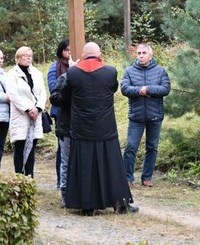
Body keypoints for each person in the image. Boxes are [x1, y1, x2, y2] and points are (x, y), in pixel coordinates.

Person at [63, 42, 137, 215]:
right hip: (105, 126)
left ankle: (87, 206)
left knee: (84, 165)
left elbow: (66, 94)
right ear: (100, 54)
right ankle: (120, 203)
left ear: (83, 54)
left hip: (82, 127)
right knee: (112, 165)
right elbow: (112, 89)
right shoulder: (110, 71)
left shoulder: (73, 72)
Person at [121, 43, 171, 187]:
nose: (141, 56)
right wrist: (139, 91)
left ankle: (147, 177)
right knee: (130, 147)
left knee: (152, 147)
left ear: (150, 55)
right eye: (139, 53)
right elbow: (125, 89)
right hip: (136, 117)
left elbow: (165, 88)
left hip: (155, 116)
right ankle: (128, 178)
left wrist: (147, 89)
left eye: (144, 53)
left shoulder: (160, 71)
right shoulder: (129, 71)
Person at [6, 46, 46, 177]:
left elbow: (42, 92)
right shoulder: (12, 74)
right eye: (25, 55)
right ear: (18, 58)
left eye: (30, 55)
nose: (29, 57)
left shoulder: (37, 73)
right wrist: (28, 109)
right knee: (20, 146)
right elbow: (13, 95)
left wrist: (37, 108)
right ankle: (19, 176)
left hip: (35, 114)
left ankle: (30, 175)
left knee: (32, 146)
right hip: (21, 114)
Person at [47, 39, 71, 187]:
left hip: (78, 112)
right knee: (62, 147)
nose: (70, 53)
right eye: (67, 50)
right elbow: (53, 89)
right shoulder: (55, 67)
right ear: (61, 51)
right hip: (61, 111)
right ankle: (60, 181)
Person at [48, 67, 72, 207]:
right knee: (66, 161)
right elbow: (55, 98)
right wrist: (68, 86)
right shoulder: (63, 77)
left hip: (84, 128)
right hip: (66, 126)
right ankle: (64, 193)